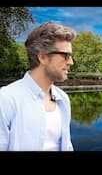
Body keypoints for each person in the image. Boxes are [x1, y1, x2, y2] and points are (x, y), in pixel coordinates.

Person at [0, 22, 76, 151]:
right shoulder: (6, 98)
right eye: (66, 55)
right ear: (42, 57)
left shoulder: (63, 99)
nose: (71, 62)